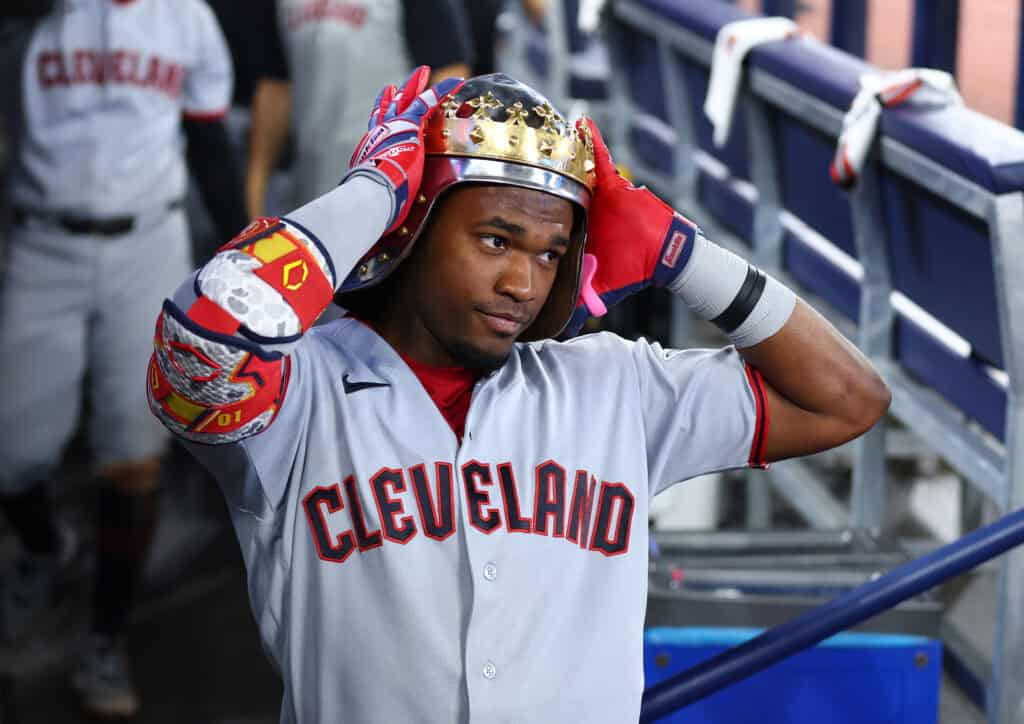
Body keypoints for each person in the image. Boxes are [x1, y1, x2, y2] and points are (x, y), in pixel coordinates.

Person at [147, 68, 890, 723]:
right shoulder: (294, 395)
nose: (523, 286)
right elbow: (203, 342)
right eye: (496, 241)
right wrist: (374, 193)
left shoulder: (614, 386)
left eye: (550, 254)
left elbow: (847, 399)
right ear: (411, 231)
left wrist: (682, 254)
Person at [0, 0, 245, 717]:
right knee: (11, 457)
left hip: (148, 244)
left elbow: (207, 144)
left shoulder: (187, 16)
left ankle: (104, 640)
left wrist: (239, 255)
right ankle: (47, 546)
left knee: (134, 458)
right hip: (43, 243)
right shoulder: (30, 13)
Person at [244, 0, 474, 218]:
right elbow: (276, 87)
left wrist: (446, 183)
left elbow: (451, 80)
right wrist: (257, 183)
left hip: (390, 182)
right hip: (310, 181)